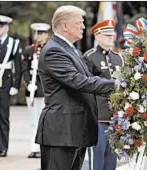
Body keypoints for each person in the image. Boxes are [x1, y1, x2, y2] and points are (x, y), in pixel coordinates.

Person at [35, 5, 117, 170]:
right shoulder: (54, 51)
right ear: (64, 26)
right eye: (79, 22)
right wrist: (117, 84)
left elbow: (88, 79)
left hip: (74, 131)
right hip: (61, 131)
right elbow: (78, 81)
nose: (83, 27)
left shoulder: (70, 50)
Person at [83, 19, 123, 170]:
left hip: (115, 117)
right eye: (107, 35)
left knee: (112, 157)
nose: (110, 38)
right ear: (97, 36)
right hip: (97, 115)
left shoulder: (118, 57)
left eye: (111, 35)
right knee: (97, 156)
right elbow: (86, 86)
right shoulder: (89, 57)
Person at [0, 15, 22, 157]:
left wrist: (16, 85)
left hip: (5, 83)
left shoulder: (13, 43)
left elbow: (18, 66)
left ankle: (4, 148)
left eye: (1, 27)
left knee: (3, 117)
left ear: (7, 27)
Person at [22, 23, 51, 158]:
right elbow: (25, 69)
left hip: (44, 90)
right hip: (32, 90)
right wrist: (28, 83)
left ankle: (43, 147)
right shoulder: (29, 50)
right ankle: (34, 147)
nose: (40, 36)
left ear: (46, 35)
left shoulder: (49, 50)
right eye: (38, 33)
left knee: (43, 119)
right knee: (33, 120)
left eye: (42, 33)